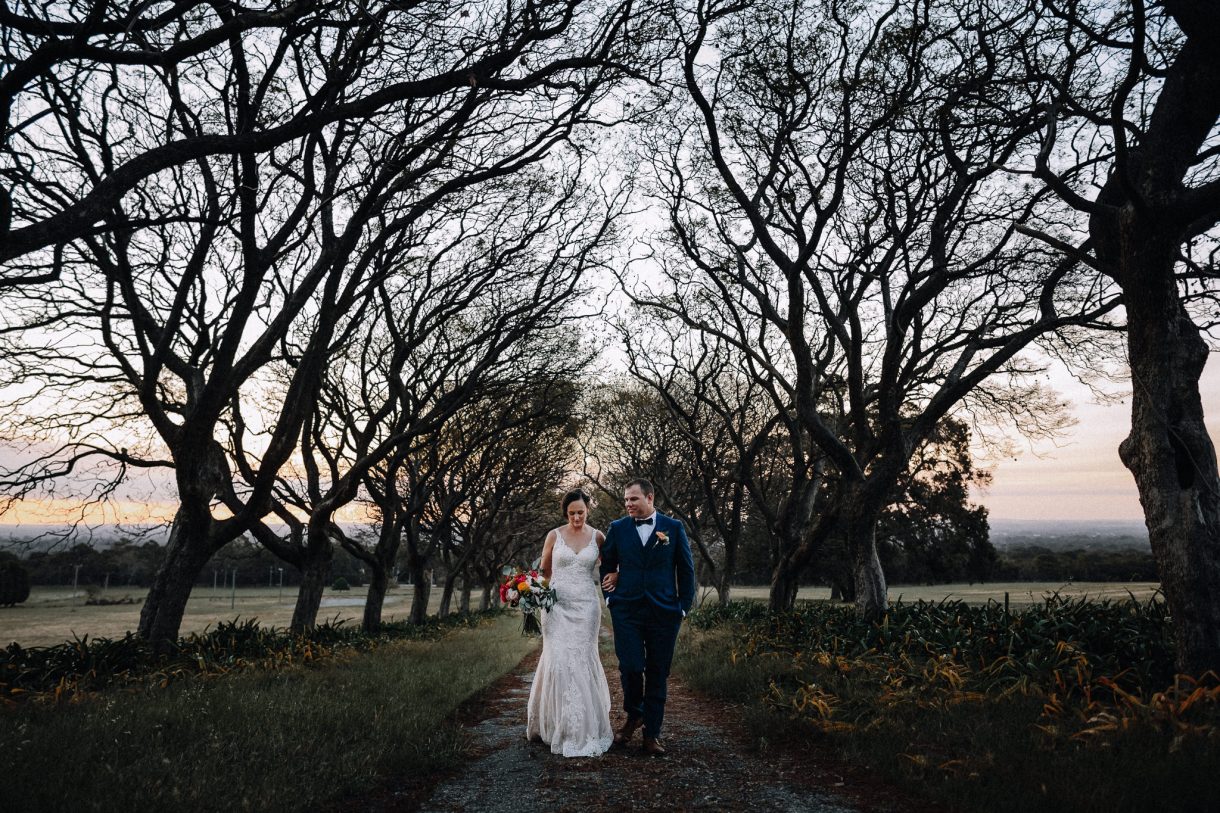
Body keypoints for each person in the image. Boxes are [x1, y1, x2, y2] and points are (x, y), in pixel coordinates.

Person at [598, 478, 696, 756]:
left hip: (664, 613)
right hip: (626, 610)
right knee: (630, 666)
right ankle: (635, 712)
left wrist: (683, 607)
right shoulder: (617, 528)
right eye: (626, 500)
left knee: (657, 673)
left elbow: (686, 571)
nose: (628, 504)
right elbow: (607, 563)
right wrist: (610, 598)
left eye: (633, 499)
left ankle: (651, 734)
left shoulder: (673, 528)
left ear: (649, 498)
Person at [525, 489, 614, 757]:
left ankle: (583, 726)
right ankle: (554, 724)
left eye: (581, 512)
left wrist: (616, 577)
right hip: (557, 606)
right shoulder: (554, 535)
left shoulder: (598, 537)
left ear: (588, 510)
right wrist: (534, 593)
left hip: (587, 607)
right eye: (571, 513)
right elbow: (545, 570)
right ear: (566, 513)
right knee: (560, 659)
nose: (576, 517)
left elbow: (611, 567)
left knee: (581, 659)